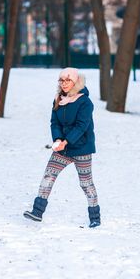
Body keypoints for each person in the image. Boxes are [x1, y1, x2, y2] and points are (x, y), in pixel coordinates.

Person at [23, 67, 101, 228]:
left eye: (68, 80)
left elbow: (82, 126)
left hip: (82, 148)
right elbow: (55, 122)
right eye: (61, 80)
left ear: (76, 82)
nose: (64, 84)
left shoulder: (85, 102)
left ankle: (95, 217)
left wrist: (66, 141)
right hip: (63, 149)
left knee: (86, 184)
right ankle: (37, 212)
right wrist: (58, 139)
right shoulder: (58, 98)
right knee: (48, 176)